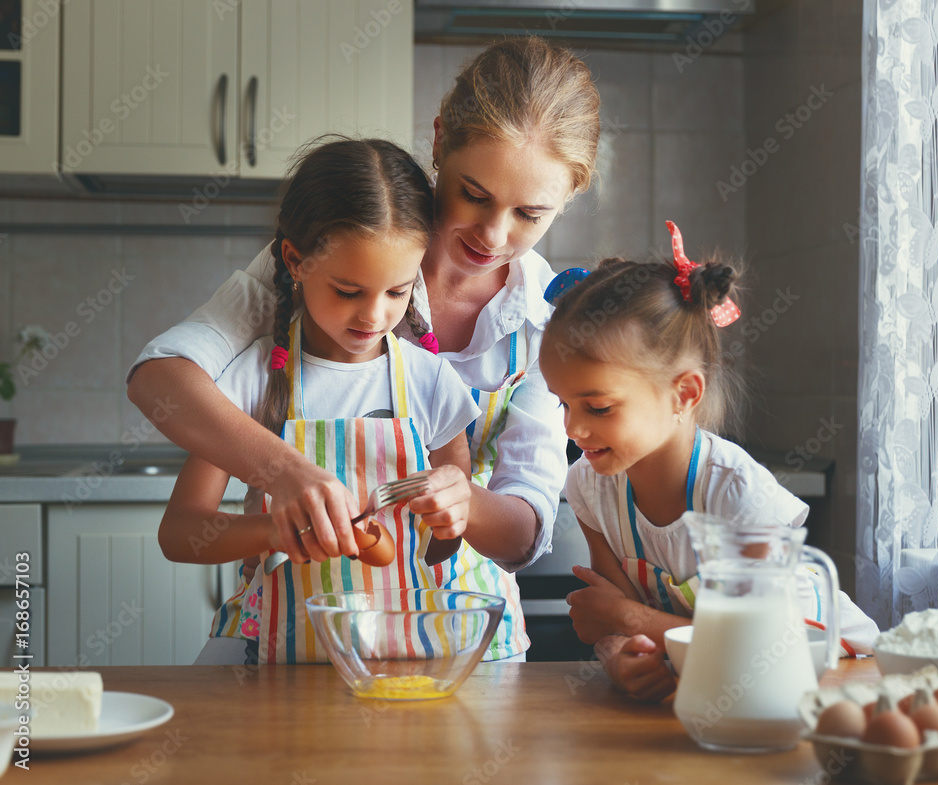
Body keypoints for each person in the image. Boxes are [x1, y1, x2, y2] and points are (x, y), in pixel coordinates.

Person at [128, 36, 602, 662]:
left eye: (529, 213)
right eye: (474, 195)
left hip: (455, 638)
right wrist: (285, 477)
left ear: (567, 198)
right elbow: (159, 381)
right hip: (290, 638)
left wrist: (464, 503)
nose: (493, 234)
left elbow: (521, 533)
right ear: (438, 142)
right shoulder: (333, 249)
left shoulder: (545, 321)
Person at [158, 138, 482, 665]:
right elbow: (180, 533)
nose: (373, 316)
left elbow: (443, 549)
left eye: (397, 292)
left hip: (397, 649)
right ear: (294, 261)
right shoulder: (253, 379)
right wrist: (273, 532)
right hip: (269, 650)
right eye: (349, 291)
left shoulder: (432, 384)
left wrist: (453, 518)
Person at [539, 221, 880, 701]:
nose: (572, 430)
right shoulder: (590, 488)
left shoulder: (739, 497)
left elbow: (754, 650)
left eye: (598, 408)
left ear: (684, 393)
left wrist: (631, 620)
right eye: (563, 404)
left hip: (834, 680)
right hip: (716, 689)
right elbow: (607, 614)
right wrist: (621, 658)